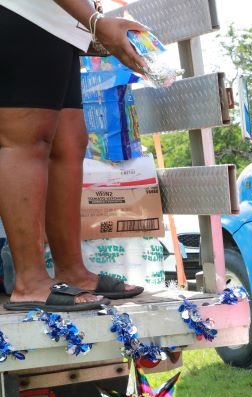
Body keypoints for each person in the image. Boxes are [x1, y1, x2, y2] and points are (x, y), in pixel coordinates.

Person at [0, 0, 146, 311]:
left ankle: (71, 270)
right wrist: (95, 21)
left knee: (69, 142)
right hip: (25, 12)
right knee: (27, 140)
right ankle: (30, 282)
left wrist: (92, 24)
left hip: (61, 26)